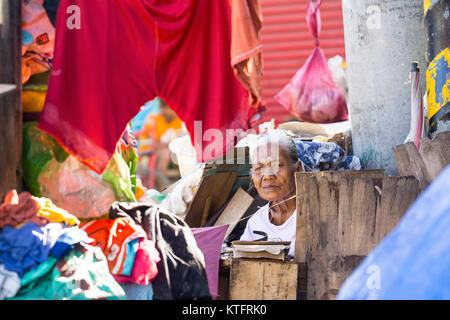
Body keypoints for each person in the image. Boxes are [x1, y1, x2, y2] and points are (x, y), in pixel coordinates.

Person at [240, 134, 302, 257]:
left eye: (276, 165)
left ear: (298, 169)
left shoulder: (313, 215)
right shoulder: (256, 222)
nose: (267, 175)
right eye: (258, 168)